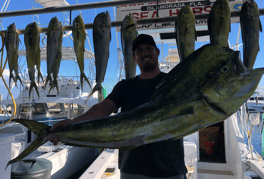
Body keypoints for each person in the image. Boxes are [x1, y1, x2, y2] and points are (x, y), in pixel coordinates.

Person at [49, 34, 187, 179]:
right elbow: (103, 108)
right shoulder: (125, 86)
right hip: (132, 168)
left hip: (170, 168)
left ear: (157, 52)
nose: (144, 53)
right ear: (134, 58)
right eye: (139, 51)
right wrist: (71, 122)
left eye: (148, 48)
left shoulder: (175, 81)